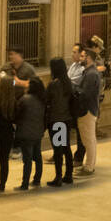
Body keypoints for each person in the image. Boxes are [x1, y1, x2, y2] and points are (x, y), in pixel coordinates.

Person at [45, 57, 76, 187]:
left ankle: (58, 177)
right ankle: (68, 175)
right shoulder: (67, 82)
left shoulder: (54, 84)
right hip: (66, 120)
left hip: (57, 121)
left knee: (58, 150)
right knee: (66, 147)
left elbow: (46, 100)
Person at [13, 74, 46, 191]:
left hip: (26, 134)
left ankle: (25, 184)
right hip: (38, 132)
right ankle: (37, 180)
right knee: (37, 157)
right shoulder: (42, 99)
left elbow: (16, 115)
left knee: (27, 160)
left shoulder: (25, 99)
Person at [74, 46, 102, 177]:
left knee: (89, 140)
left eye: (83, 56)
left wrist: (73, 89)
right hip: (86, 110)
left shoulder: (91, 74)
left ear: (89, 58)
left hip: (88, 110)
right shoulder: (89, 72)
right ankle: (88, 165)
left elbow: (85, 93)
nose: (81, 58)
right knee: (87, 139)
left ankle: (89, 167)